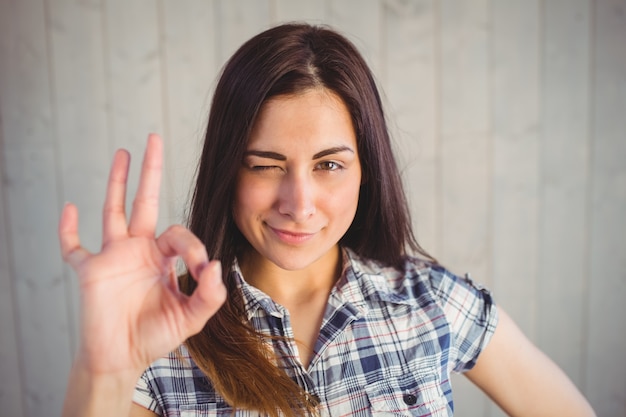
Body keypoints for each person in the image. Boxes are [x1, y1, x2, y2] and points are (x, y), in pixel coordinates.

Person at [60, 23, 595, 417]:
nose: (299, 202)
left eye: (329, 165)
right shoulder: (164, 335)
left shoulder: (430, 302)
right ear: (228, 169)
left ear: (367, 170)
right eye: (266, 165)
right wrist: (106, 367)